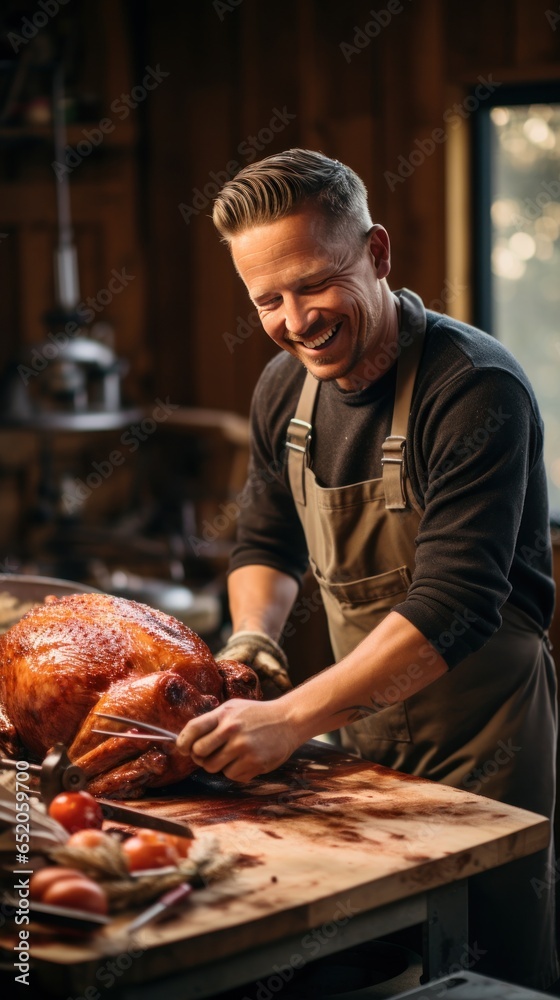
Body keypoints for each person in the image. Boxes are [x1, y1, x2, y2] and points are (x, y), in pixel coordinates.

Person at [176, 148, 558, 989]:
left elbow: (454, 605)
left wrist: (290, 721)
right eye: (266, 300)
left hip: (485, 739)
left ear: (377, 254)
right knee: (362, 955)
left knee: (489, 968)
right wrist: (253, 644)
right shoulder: (284, 388)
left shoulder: (475, 388)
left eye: (314, 284)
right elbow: (266, 543)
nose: (295, 319)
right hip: (362, 736)